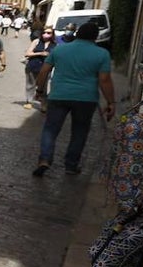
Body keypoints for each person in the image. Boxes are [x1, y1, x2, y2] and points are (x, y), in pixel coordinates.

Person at [32, 22, 115, 177]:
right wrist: (111, 101)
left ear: (77, 33)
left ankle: (44, 159)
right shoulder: (102, 54)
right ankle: (71, 165)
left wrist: (40, 90)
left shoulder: (60, 49)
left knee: (50, 129)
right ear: (95, 37)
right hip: (86, 98)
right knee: (79, 132)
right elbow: (104, 80)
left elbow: (44, 71)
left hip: (59, 95)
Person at [23, 28, 55, 110]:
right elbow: (27, 53)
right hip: (33, 66)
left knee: (44, 87)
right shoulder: (36, 41)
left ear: (52, 34)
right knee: (30, 85)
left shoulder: (55, 44)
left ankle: (43, 104)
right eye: (44, 32)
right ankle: (29, 101)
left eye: (49, 33)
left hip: (46, 68)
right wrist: (40, 53)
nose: (46, 34)